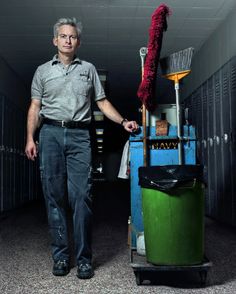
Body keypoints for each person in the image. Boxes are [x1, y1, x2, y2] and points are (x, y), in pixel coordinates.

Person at [25, 17, 138, 279]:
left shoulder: (88, 69)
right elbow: (35, 107)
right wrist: (31, 138)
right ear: (55, 40)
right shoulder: (42, 71)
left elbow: (102, 102)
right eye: (63, 36)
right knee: (54, 198)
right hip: (50, 133)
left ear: (78, 42)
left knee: (81, 199)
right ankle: (61, 257)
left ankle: (84, 259)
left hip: (79, 137)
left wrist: (123, 121)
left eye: (72, 37)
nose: (67, 40)